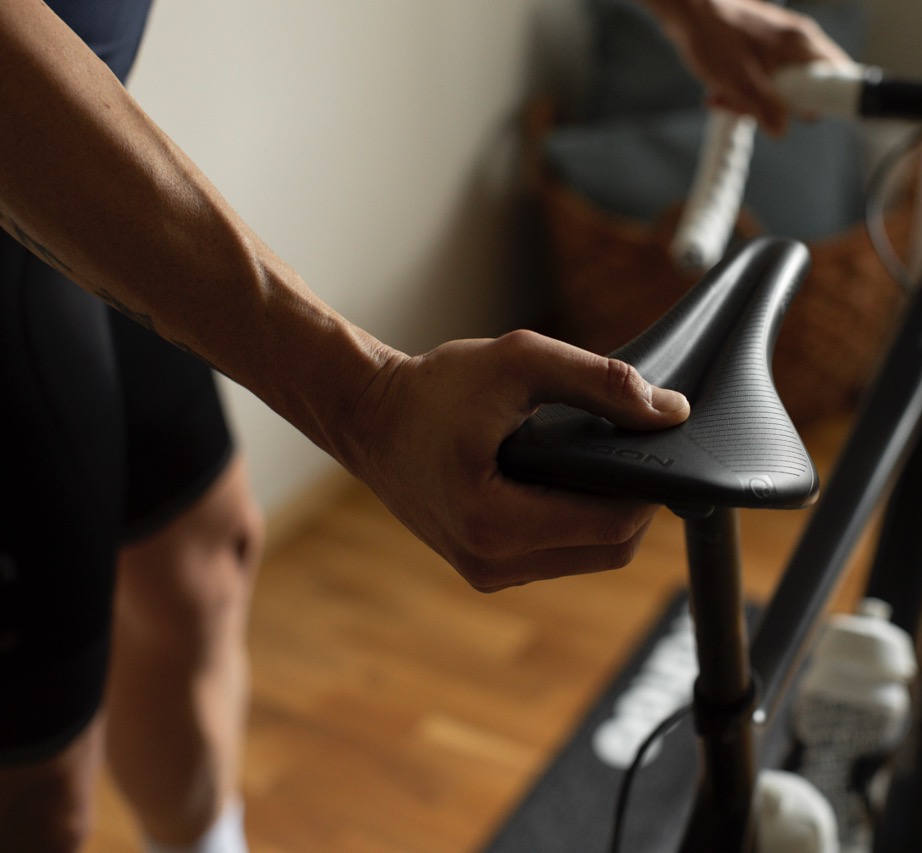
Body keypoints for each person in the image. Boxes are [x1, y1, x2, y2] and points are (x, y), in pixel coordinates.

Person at [0, 0, 853, 850]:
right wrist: (362, 400)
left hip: (67, 159)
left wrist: (691, 10)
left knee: (205, 561)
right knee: (42, 795)